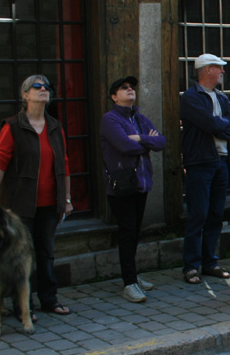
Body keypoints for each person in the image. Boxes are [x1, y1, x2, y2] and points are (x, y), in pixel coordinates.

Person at [0, 74, 73, 317]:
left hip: (49, 203)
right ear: (25, 95)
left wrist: (66, 199)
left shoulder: (55, 126)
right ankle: (23, 305)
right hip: (20, 204)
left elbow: (64, 165)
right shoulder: (13, 126)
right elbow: (0, 163)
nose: (43, 89)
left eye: (47, 87)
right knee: (21, 255)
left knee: (46, 253)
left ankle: (49, 299)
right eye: (37, 86)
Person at [100, 76, 167, 303]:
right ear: (113, 96)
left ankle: (134, 276)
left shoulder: (139, 118)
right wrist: (146, 141)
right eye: (124, 88)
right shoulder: (110, 119)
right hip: (122, 184)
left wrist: (140, 137)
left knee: (135, 231)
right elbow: (123, 145)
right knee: (127, 232)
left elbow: (162, 142)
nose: (130, 90)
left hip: (141, 183)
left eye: (131, 88)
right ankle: (129, 283)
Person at [180, 54, 230, 284]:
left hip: (222, 161)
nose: (223, 72)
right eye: (219, 68)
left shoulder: (222, 98)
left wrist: (220, 127)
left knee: (216, 214)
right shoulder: (190, 97)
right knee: (198, 214)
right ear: (207, 70)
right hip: (200, 162)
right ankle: (191, 265)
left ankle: (210, 262)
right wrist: (220, 125)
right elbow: (209, 123)